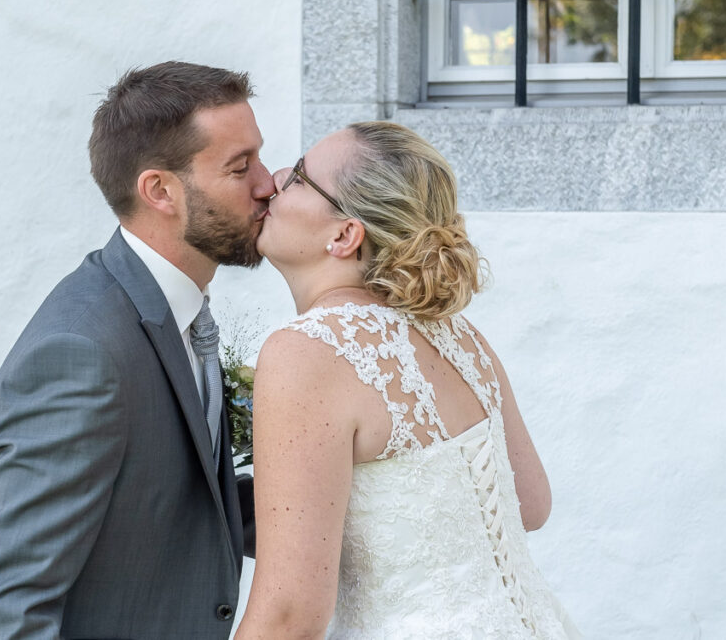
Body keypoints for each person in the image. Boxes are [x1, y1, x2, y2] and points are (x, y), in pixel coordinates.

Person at [0, 61, 273, 640]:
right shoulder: (81, 354)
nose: (267, 183)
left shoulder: (175, 307)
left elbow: (181, 503)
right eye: (240, 167)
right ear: (160, 191)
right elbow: (2, 608)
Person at [235, 121, 581, 639]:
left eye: (302, 177)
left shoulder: (307, 352)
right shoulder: (457, 335)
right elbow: (529, 503)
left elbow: (289, 615)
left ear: (344, 235)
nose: (277, 178)